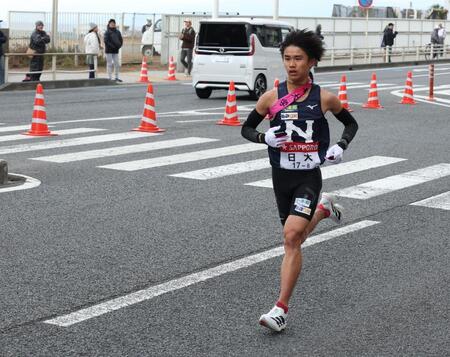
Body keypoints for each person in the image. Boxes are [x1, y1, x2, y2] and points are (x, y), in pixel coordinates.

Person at [241, 29, 358, 332]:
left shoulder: (324, 98)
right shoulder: (271, 97)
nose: (292, 64)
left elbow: (350, 123)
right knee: (298, 237)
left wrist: (340, 147)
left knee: (291, 237)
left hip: (308, 176)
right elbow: (246, 128)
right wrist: (262, 136)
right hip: (281, 178)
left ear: (312, 62)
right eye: (287, 58)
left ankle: (280, 310)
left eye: (299, 59)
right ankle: (324, 210)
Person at [0, 20, 6, 85]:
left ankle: (2, 84)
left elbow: (5, 38)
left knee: (2, 69)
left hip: (0, 54)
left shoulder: (0, 32)